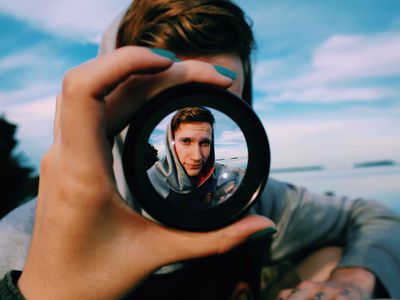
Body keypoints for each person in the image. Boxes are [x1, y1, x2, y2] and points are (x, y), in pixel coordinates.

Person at [0, 0, 399, 299]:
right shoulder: (21, 241)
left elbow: (374, 214)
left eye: (222, 101)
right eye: (160, 103)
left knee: (330, 255)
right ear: (116, 109)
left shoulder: (254, 202)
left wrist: (354, 278)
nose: (197, 154)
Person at [147, 106, 244, 209]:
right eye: (186, 141)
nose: (197, 157)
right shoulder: (150, 182)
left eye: (205, 143)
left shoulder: (218, 172)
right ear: (172, 145)